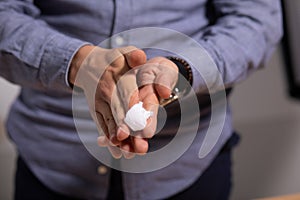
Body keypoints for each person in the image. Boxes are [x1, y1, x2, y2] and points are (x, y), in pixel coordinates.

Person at [0, 0, 282, 200]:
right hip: (51, 162)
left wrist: (183, 70)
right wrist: (77, 63)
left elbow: (256, 21)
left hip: (191, 166)